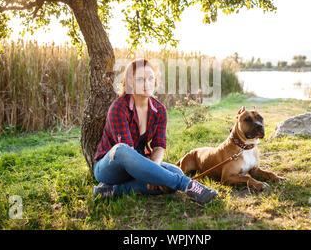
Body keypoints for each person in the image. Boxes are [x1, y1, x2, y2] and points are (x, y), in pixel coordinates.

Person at [92, 59, 218, 204]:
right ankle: (187, 185)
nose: (147, 84)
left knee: (175, 172)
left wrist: (154, 170)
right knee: (122, 149)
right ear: (131, 82)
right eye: (141, 80)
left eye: (151, 79)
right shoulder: (119, 107)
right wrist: (151, 175)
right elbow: (128, 154)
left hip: (140, 164)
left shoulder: (159, 110)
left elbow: (158, 146)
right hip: (110, 167)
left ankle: (113, 190)